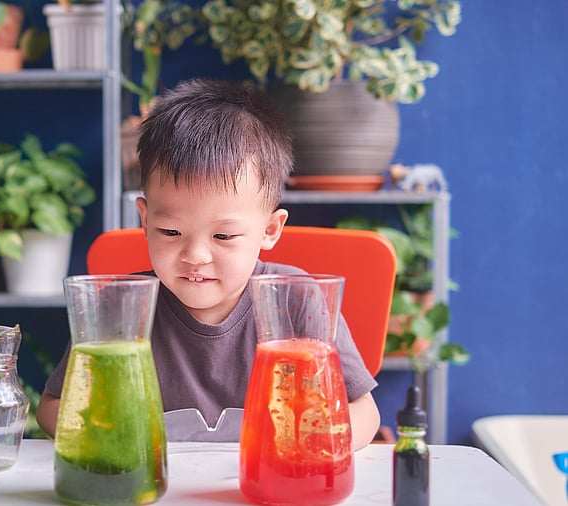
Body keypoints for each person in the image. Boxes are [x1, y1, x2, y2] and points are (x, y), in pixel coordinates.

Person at [35, 78, 381, 449]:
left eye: (223, 236)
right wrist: (107, 434)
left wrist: (312, 444)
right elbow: (51, 407)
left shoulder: (297, 300)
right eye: (170, 231)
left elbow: (363, 410)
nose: (195, 256)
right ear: (144, 219)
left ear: (269, 229)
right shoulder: (119, 307)